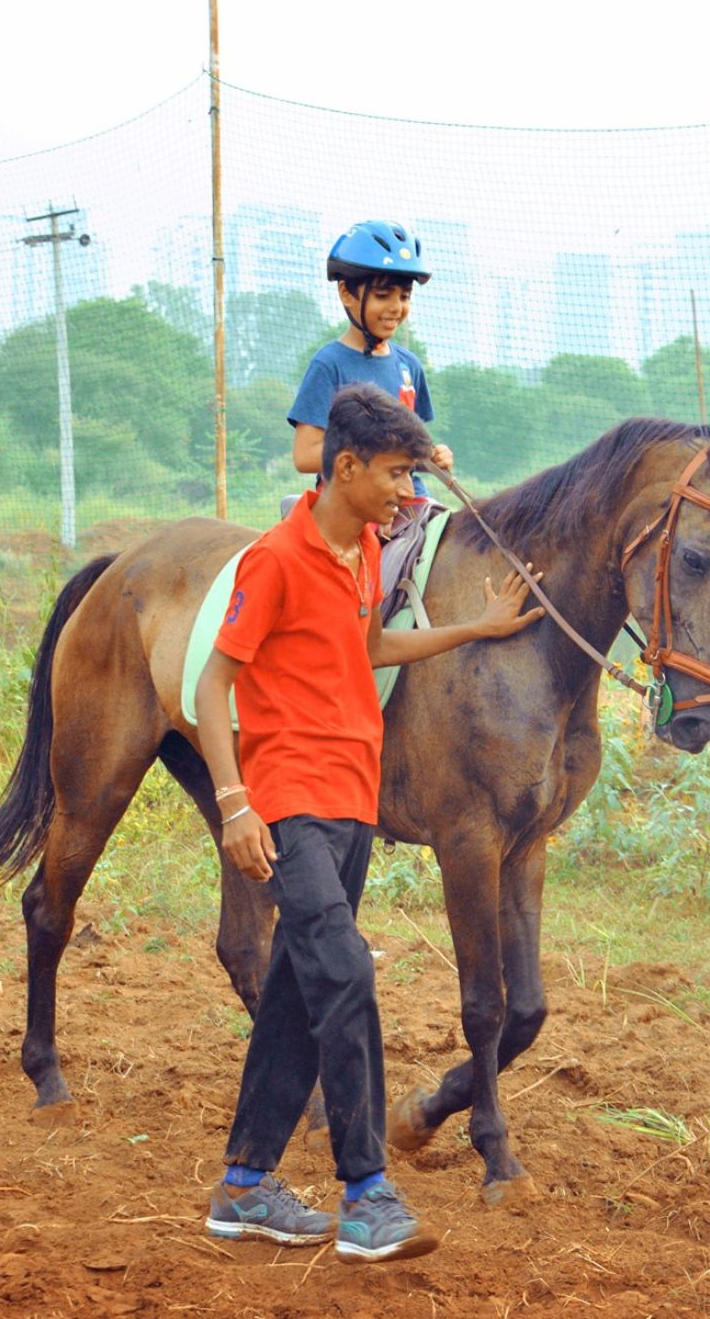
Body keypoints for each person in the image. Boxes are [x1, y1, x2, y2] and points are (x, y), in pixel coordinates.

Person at [196, 382, 543, 1263]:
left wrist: (476, 626)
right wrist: (235, 803)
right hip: (288, 804)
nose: (405, 493)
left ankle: (244, 1186)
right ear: (344, 467)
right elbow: (212, 686)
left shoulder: (359, 557)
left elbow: (369, 650)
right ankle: (367, 1192)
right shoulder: (273, 562)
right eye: (394, 476)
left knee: (292, 997)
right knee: (346, 972)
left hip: (351, 802)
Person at [289, 221, 454, 522]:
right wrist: (378, 452)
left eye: (404, 297)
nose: (396, 307)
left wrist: (431, 456)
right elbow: (304, 456)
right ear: (346, 293)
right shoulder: (329, 364)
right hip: (353, 509)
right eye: (383, 295)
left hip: (410, 501)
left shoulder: (409, 366)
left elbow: (413, 448)